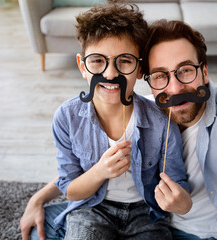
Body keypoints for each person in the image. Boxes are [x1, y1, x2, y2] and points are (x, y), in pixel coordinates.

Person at [20, 19, 217, 240]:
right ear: (148, 78)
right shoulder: (145, 106)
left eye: (185, 71)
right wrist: (40, 197)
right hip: (128, 213)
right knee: (41, 227)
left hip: (187, 232)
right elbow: (85, 162)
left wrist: (182, 205)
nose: (174, 88)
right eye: (161, 76)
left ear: (205, 71)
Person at [27, 4, 192, 240]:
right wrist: (101, 171)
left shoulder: (160, 121)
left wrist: (181, 201)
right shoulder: (67, 117)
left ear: (139, 68)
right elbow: (71, 191)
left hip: (145, 214)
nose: (111, 74)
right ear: (82, 66)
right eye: (97, 61)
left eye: (124, 61)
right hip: (92, 209)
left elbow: (178, 184)